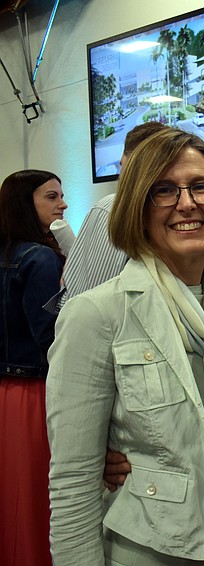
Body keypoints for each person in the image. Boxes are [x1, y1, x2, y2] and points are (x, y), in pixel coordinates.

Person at [46, 128, 204, 565]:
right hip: (146, 550)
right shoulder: (97, 313)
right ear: (137, 204)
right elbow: (72, 485)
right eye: (164, 190)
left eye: (200, 186)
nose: (187, 203)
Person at [0, 169, 67, 566]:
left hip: (7, 393)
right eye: (52, 196)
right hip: (34, 394)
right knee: (35, 499)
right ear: (27, 203)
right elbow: (51, 338)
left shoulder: (11, 255)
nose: (62, 204)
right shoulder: (38, 257)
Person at [54, 120, 168, 310]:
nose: (121, 176)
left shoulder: (112, 206)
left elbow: (83, 296)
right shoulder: (112, 208)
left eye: (123, 166)